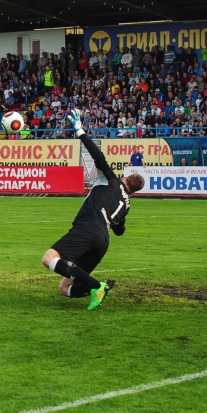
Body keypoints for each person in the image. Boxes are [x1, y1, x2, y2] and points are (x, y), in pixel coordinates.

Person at [41, 109, 144, 311]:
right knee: (65, 288)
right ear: (134, 192)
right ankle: (99, 289)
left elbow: (98, 156)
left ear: (124, 178)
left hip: (88, 228)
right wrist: (117, 223)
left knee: (48, 258)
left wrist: (80, 131)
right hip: (103, 241)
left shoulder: (111, 180)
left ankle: (97, 286)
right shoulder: (126, 204)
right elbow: (120, 231)